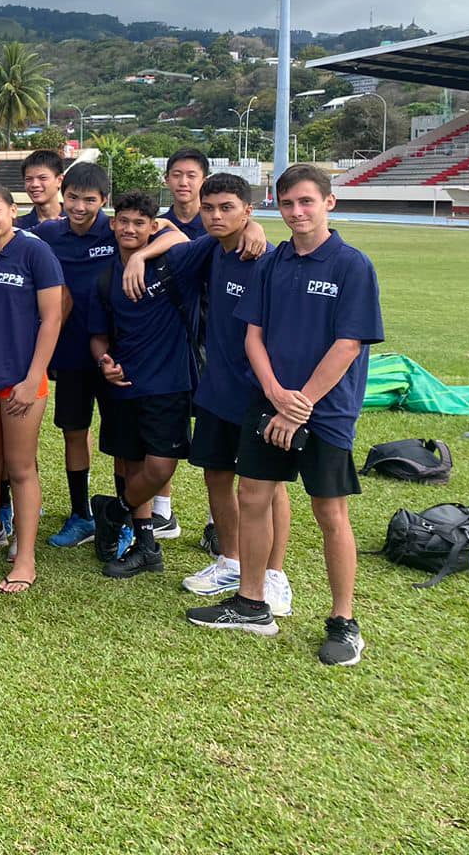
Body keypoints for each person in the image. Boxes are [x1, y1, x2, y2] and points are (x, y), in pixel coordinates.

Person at [188, 165, 383, 667]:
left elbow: (349, 343)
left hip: (325, 412)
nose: (297, 212)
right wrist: (275, 393)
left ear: (329, 203)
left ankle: (344, 622)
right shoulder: (274, 263)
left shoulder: (351, 265)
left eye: (307, 202)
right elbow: (253, 333)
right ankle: (252, 604)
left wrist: (300, 405)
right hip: (269, 401)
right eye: (289, 204)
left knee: (330, 514)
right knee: (253, 496)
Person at [33, 161, 184, 550]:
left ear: (104, 202)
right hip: (71, 353)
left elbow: (176, 235)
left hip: (121, 356)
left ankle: (130, 520)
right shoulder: (49, 234)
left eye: (89, 200)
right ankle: (81, 514)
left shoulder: (120, 229)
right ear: (61, 194)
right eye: (72, 198)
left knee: (124, 445)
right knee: (74, 433)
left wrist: (139, 256)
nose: (79, 207)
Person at [180, 175, 293, 615]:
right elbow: (168, 238)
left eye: (227, 207)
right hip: (216, 387)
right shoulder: (211, 249)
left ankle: (273, 574)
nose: (215, 216)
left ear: (249, 210)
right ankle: (230, 560)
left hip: (260, 392)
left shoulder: (267, 258)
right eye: (209, 208)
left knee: (267, 486)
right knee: (215, 475)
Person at [87, 188, 214, 578]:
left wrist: (143, 255)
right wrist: (103, 362)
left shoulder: (174, 261)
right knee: (131, 463)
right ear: (112, 224)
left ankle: (114, 510)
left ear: (152, 226)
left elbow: (198, 237)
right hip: (124, 384)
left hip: (171, 384)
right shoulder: (106, 277)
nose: (129, 228)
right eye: (122, 221)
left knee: (160, 467)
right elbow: (98, 335)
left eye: (139, 223)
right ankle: (146, 546)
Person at [0, 184, 65, 595]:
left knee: (20, 468)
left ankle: (25, 559)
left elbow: (51, 320)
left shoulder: (34, 252)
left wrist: (32, 377)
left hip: (21, 380)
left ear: (12, 210)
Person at [162, 147, 209, 239]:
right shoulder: (157, 227)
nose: (183, 183)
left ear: (204, 181)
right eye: (176, 175)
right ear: (167, 180)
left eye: (191, 176)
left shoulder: (215, 226)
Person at [18, 150, 66, 230]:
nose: (34, 184)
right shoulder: (17, 228)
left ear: (59, 180)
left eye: (43, 178)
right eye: (28, 179)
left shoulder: (75, 223)